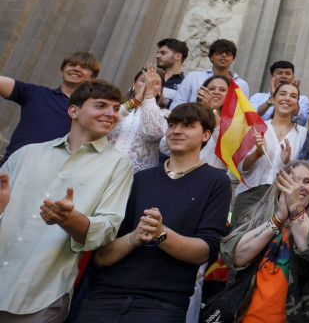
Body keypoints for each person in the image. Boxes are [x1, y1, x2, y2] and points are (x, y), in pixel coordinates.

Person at [74, 103, 232, 322]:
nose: (176, 131)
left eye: (187, 126)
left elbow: (205, 251)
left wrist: (161, 235)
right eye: (172, 125)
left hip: (163, 304)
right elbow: (102, 256)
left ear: (206, 135)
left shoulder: (217, 181)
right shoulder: (140, 178)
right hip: (104, 297)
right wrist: (135, 237)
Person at [0, 80, 134, 321]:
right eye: (101, 105)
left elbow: (107, 229)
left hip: (41, 296)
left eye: (116, 108)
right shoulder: (27, 153)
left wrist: (69, 219)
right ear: (73, 110)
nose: (111, 114)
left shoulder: (119, 165)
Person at [221, 161, 309, 323]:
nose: (299, 187)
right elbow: (234, 256)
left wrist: (294, 206)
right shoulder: (257, 214)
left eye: (307, 181)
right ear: (280, 184)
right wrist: (278, 219)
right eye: (293, 181)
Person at [0, 50, 100, 164]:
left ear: (92, 78)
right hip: (12, 167)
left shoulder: (91, 111)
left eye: (84, 67)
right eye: (72, 65)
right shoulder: (35, 93)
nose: (76, 69)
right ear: (62, 71)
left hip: (52, 171)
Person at [232, 82, 305, 227]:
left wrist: (288, 162)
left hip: (282, 199)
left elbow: (303, 173)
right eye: (282, 94)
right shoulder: (255, 127)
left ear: (297, 104)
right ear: (273, 99)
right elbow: (241, 168)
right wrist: (257, 153)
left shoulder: (303, 134)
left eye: (293, 96)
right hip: (251, 195)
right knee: (239, 238)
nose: (287, 98)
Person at [108, 65, 168, 172]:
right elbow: (103, 125)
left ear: (160, 90)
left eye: (154, 83)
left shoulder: (164, 114)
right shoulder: (118, 108)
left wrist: (148, 94)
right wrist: (135, 101)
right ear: (134, 85)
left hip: (135, 174)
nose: (147, 85)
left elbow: (152, 133)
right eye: (143, 81)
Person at [170, 39, 249, 108]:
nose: (224, 55)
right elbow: (178, 102)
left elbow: (242, 112)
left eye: (228, 54)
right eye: (219, 52)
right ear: (211, 57)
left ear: (232, 59)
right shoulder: (193, 77)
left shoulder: (241, 84)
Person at [250, 60, 309, 126]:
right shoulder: (257, 97)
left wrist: (294, 95)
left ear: (293, 78)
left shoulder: (302, 99)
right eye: (279, 73)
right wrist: (271, 99)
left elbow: (301, 122)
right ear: (271, 77)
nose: (283, 76)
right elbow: (251, 117)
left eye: (287, 74)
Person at [155, 38, 188, 109]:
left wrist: (165, 102)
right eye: (158, 53)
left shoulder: (185, 84)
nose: (157, 56)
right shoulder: (151, 77)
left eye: (163, 53)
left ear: (178, 56)